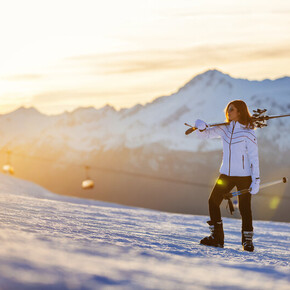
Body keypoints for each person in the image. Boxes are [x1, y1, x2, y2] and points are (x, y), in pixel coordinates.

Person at [195, 100, 260, 252]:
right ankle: (217, 238)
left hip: (244, 176)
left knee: (245, 208)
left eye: (232, 109)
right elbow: (204, 136)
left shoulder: (248, 133)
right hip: (226, 174)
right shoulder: (224, 129)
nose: (228, 112)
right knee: (213, 202)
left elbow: (254, 157)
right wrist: (200, 127)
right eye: (228, 109)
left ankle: (248, 242)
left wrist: (256, 179)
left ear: (240, 112)